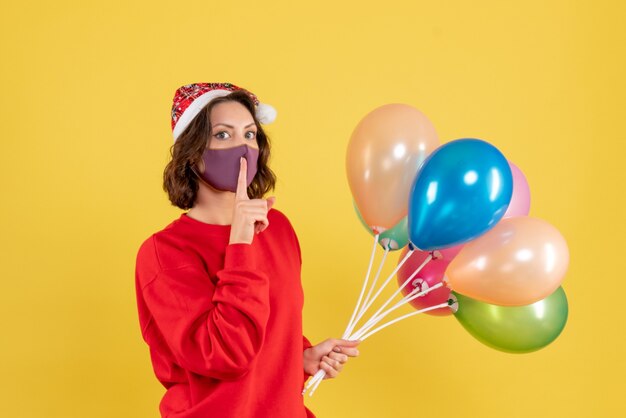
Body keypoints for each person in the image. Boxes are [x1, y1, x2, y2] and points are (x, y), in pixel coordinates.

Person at [135, 83, 360, 418]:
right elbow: (226, 356)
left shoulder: (277, 228)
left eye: (251, 135)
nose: (243, 147)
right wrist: (240, 244)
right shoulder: (165, 252)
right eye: (224, 136)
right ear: (192, 152)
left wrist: (299, 359)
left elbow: (269, 332)